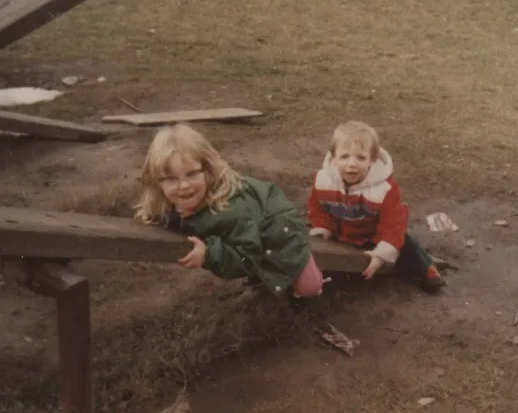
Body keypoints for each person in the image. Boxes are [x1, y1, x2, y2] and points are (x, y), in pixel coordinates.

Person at [135, 123, 327, 298]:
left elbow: (248, 256)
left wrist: (209, 255)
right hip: (250, 226)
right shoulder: (175, 197)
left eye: (192, 174)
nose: (183, 186)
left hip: (279, 231)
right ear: (157, 182)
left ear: (207, 171)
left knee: (309, 288)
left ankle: (308, 270)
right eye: (171, 179)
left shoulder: (232, 212)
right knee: (251, 249)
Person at [307, 120, 445, 292]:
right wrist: (322, 228)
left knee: (403, 240)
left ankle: (427, 270)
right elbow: (318, 209)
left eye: (360, 157)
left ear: (372, 160)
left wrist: (382, 254)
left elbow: (393, 223)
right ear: (333, 158)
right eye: (344, 156)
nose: (352, 164)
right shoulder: (323, 182)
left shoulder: (384, 189)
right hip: (341, 232)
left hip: (373, 234)